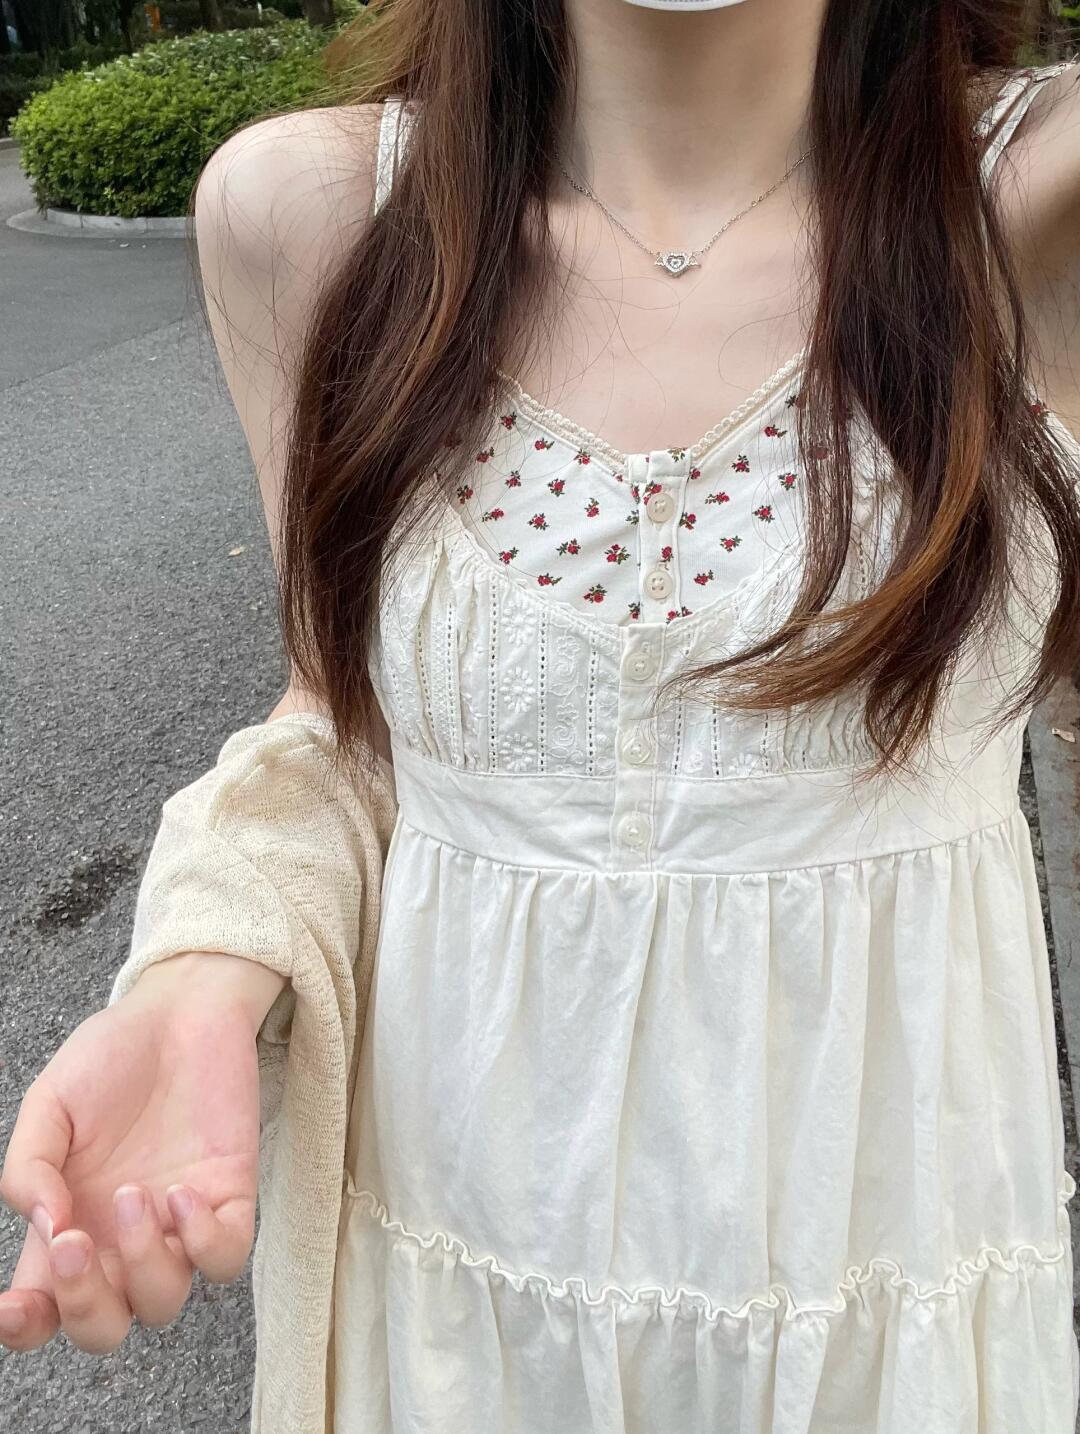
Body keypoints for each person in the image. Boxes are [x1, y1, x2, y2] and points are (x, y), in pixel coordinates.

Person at [4, 1, 1080, 1430]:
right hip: (466, 1302)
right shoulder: (312, 217)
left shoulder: (1039, 198)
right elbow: (349, 714)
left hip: (890, 1284)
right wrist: (202, 963)